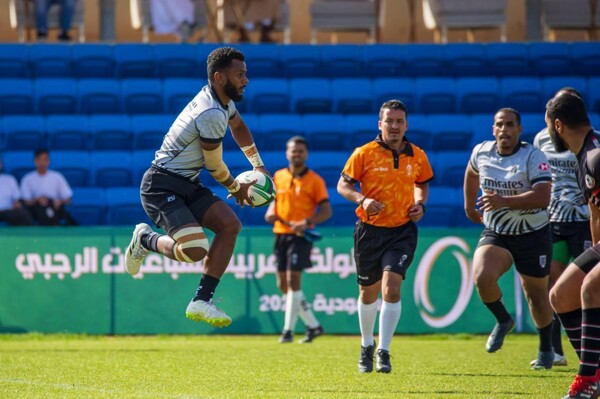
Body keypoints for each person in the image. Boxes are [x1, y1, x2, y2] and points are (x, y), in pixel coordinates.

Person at [124, 46, 269, 328]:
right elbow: (215, 166)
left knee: (230, 225)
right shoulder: (211, 112)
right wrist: (236, 188)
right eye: (240, 74)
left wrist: (257, 165)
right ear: (219, 77)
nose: (245, 80)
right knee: (195, 250)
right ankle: (145, 240)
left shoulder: (222, 102)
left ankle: (202, 300)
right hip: (160, 184)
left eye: (245, 74)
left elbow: (239, 127)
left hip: (186, 181)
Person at [337, 99, 433, 373]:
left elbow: (422, 184)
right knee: (368, 294)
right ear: (380, 124)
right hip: (369, 231)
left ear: (406, 124)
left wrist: (420, 204)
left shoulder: (417, 155)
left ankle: (384, 351)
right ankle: (367, 345)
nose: (394, 126)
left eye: (399, 121)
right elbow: (343, 185)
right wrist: (362, 199)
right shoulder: (364, 153)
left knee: (391, 287)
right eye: (389, 121)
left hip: (402, 231)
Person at [464, 108, 556, 370]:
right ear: (493, 129)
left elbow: (543, 196)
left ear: (519, 129)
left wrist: (502, 201)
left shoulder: (533, 155)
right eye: (499, 125)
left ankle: (545, 348)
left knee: (536, 297)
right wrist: (469, 206)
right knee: (482, 277)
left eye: (510, 125)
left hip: (533, 233)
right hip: (499, 232)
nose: (504, 130)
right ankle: (504, 320)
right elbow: (471, 173)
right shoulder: (481, 152)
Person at [545, 92, 600, 398]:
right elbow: (596, 213)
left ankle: (587, 381)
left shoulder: (595, 156)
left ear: (558, 124)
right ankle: (596, 371)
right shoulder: (585, 156)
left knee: (590, 289)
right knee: (561, 295)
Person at [532, 88, 592, 368]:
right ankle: (556, 350)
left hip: (584, 219)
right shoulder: (541, 140)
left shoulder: (592, 149)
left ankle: (591, 361)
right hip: (553, 219)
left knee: (588, 288)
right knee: (555, 286)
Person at [265, 136, 332, 344]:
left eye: (300, 151)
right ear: (287, 153)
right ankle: (313, 325)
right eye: (293, 151)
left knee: (293, 282)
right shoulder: (279, 176)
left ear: (306, 154)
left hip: (301, 236)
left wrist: (308, 222)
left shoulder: (315, 180)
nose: (297, 154)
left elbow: (327, 211)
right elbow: (274, 204)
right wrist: (270, 212)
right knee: (282, 285)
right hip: (280, 233)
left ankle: (288, 331)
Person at [20, 148, 77, 226]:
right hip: (36, 208)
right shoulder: (27, 178)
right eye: (39, 160)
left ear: (49, 161)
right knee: (42, 209)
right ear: (34, 161)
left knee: (51, 208)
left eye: (45, 160)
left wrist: (59, 201)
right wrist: (38, 200)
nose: (42, 163)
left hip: (55, 206)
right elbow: (26, 201)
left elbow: (68, 200)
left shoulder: (57, 177)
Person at [0, 157, 33, 226]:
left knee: (23, 213)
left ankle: (28, 235)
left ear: (1, 164)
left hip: (7, 211)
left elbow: (17, 198)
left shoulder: (10, 179)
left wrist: (17, 203)